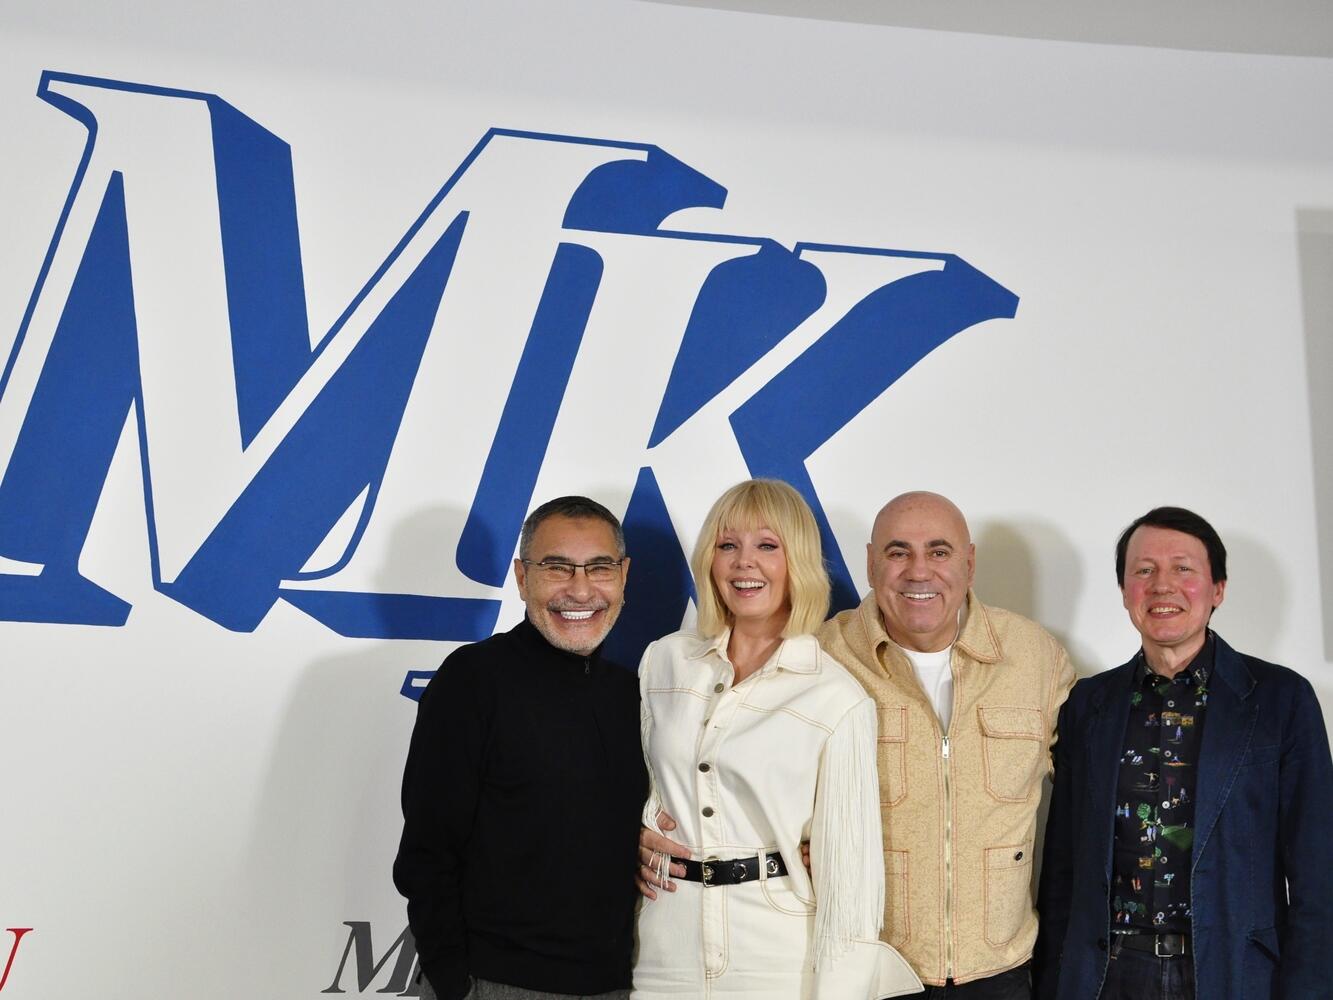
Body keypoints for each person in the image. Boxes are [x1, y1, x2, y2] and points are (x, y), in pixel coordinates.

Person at [641, 490, 1075, 998]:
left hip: (998, 970)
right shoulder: (823, 655)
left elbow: (1090, 802)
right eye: (897, 552)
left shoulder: (1034, 658)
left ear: (970, 562)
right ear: (870, 563)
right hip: (876, 964)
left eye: (939, 552)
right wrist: (641, 834)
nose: (918, 571)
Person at [633, 479, 921, 999]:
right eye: (728, 545)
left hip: (779, 960)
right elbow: (641, 787)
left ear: (798, 562)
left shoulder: (836, 696)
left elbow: (850, 883)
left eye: (767, 545)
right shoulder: (663, 662)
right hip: (665, 951)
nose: (744, 562)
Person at [1034, 506, 1333, 1000]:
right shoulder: (1088, 704)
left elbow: (1318, 873)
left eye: (1183, 569)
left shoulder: (1281, 700)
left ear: (1218, 589)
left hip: (1234, 972)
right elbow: (1062, 864)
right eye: (1144, 570)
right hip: (1107, 973)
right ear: (1124, 590)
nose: (1162, 585)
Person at [394, 497, 646, 1000]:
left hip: (617, 985)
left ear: (623, 575)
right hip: (494, 983)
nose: (580, 590)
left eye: (598, 568)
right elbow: (427, 853)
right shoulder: (472, 681)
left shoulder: (632, 693)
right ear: (522, 577)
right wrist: (456, 984)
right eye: (557, 567)